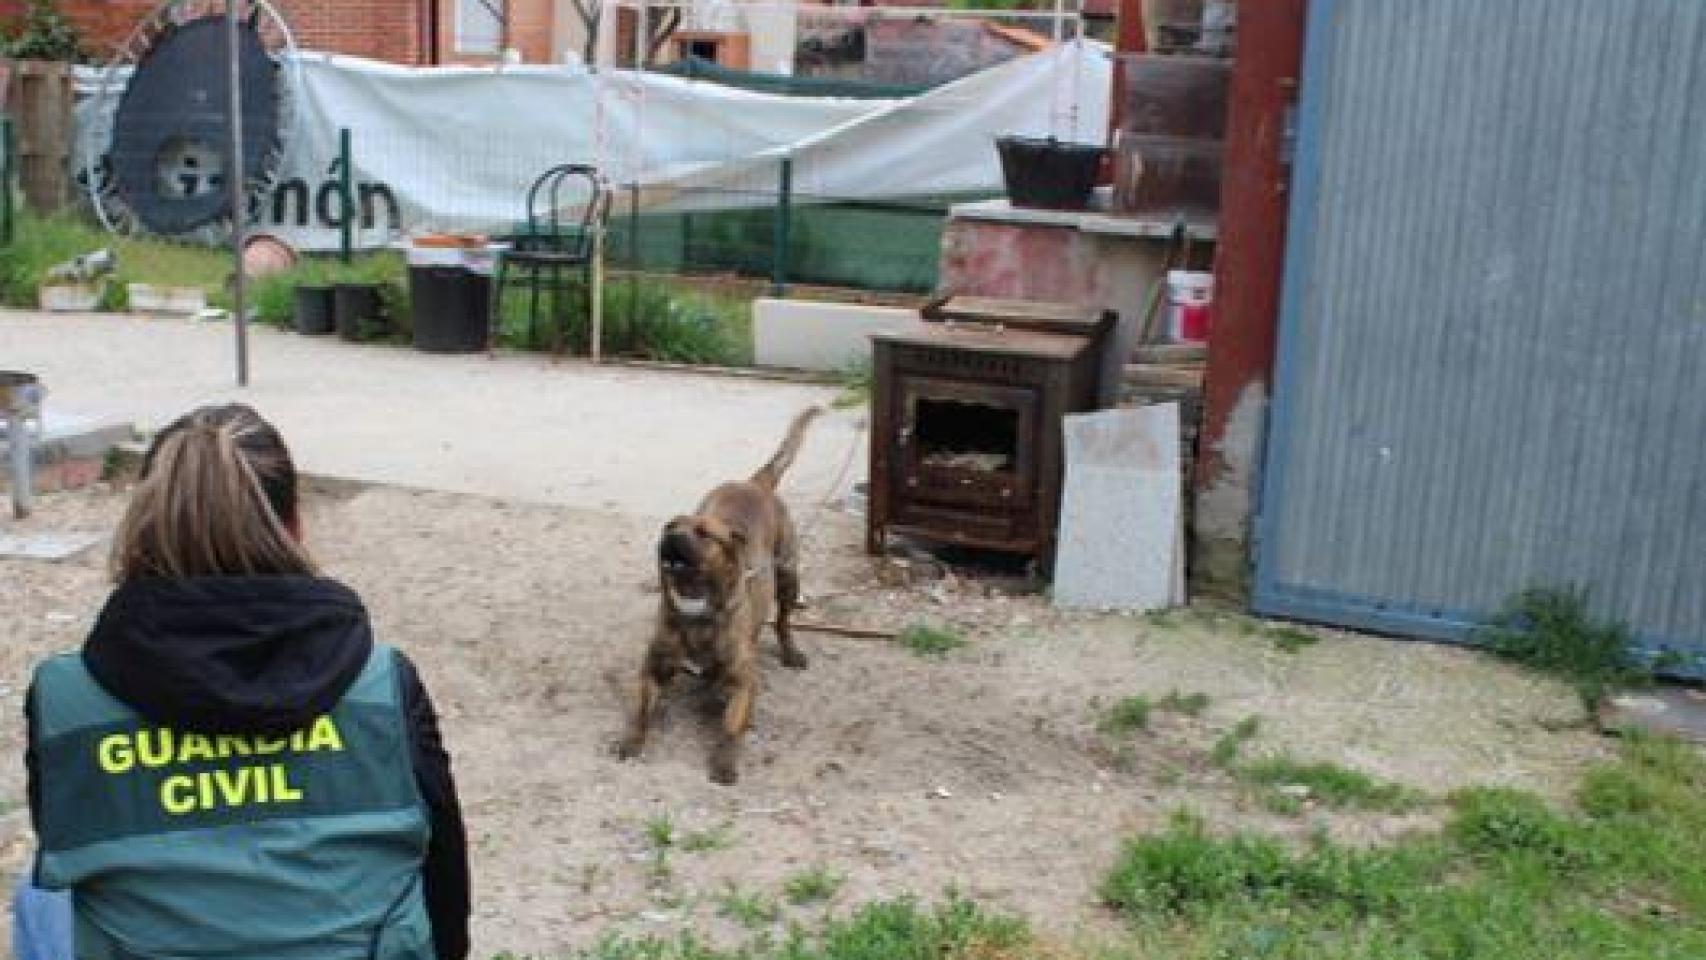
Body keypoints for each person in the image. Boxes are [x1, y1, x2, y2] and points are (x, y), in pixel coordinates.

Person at [16, 404, 470, 960]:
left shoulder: (66, 697)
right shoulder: (384, 685)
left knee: (39, 894)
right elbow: (446, 888)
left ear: (142, 528)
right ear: (295, 524)